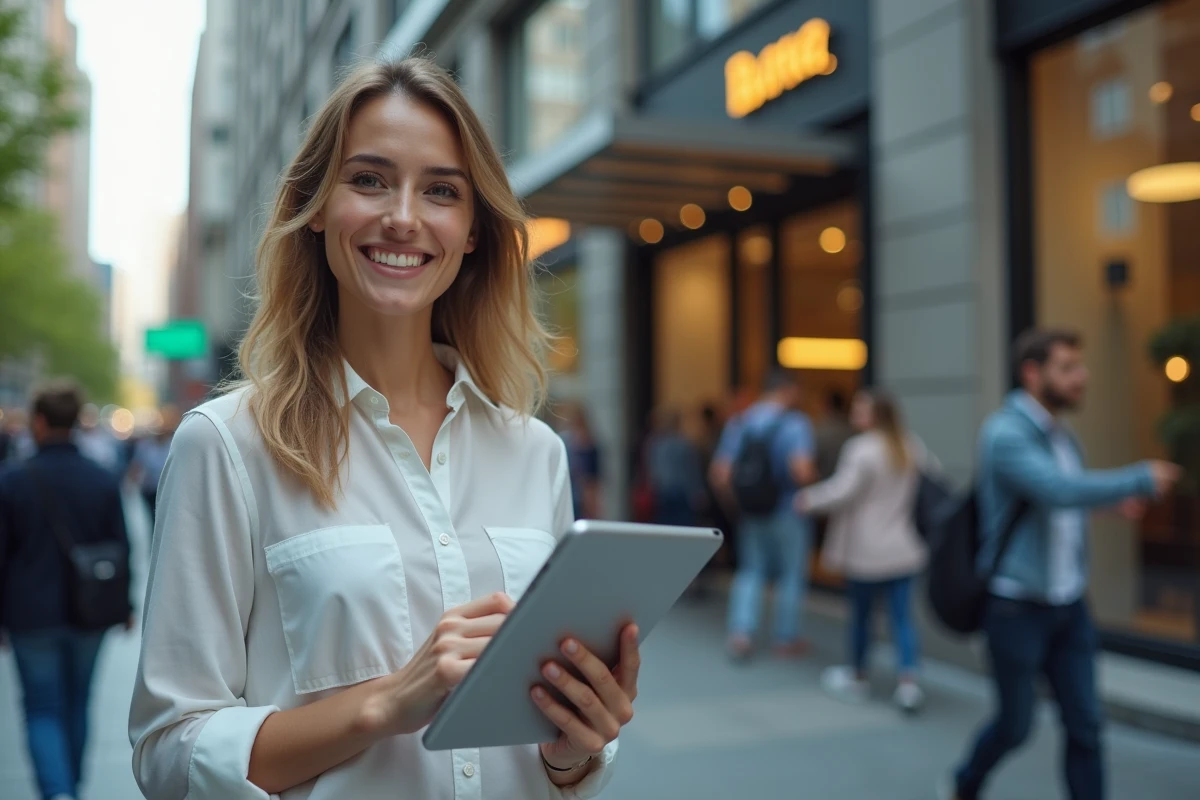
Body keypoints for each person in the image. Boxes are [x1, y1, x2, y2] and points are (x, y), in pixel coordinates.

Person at [128, 57, 638, 800]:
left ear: (472, 231)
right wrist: (385, 704)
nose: (403, 216)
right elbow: (168, 751)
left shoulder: (535, 452)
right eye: (368, 180)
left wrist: (574, 750)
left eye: (441, 190)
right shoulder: (228, 444)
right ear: (316, 208)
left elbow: (547, 762)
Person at [942, 329, 1181, 800]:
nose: (1081, 376)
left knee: (1086, 725)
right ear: (1033, 373)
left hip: (1069, 604)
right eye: (1068, 368)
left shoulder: (1061, 434)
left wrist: (1106, 506)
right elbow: (1058, 490)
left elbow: (1058, 502)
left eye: (1079, 366)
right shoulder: (1005, 433)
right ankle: (965, 782)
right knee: (1016, 725)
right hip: (1016, 607)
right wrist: (1138, 478)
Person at [0, 380, 132, 800]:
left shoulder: (13, 480)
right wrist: (125, 604)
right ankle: (69, 787)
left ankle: (57, 793)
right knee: (78, 702)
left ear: (39, 422)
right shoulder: (101, 478)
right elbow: (121, 546)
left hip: (29, 614)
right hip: (91, 613)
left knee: (42, 707)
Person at [796, 389, 936, 713]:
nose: (855, 414)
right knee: (902, 618)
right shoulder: (910, 445)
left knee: (861, 617)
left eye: (861, 410)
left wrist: (807, 500)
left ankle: (857, 676)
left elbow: (842, 491)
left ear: (876, 415)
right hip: (904, 546)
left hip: (867, 550)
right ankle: (908, 683)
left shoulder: (861, 449)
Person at [709, 369, 817, 660]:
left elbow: (720, 474)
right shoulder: (796, 424)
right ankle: (786, 637)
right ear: (789, 390)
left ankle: (741, 632)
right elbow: (802, 471)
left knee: (750, 570)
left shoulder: (740, 422)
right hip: (788, 510)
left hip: (751, 512)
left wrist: (736, 504)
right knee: (791, 574)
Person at [126, 404, 180, 524]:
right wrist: (131, 482)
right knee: (152, 518)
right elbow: (137, 465)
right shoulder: (146, 445)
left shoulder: (173, 444)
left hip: (168, 490)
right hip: (150, 489)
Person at [560, 402, 602, 520]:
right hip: (576, 493)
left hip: (580, 494)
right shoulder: (566, 440)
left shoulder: (584, 443)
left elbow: (593, 479)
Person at [813, 389, 854, 482]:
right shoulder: (852, 431)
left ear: (827, 405)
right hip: (846, 482)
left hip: (825, 482)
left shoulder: (819, 431)